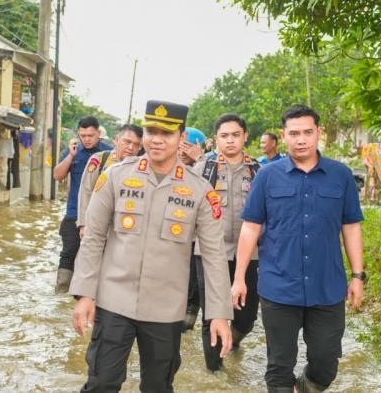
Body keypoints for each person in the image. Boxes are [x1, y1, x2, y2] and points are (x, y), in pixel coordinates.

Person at [70, 100, 233, 392]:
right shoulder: (116, 176)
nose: (157, 139)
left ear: (181, 137)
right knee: (102, 382)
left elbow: (214, 256)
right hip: (113, 300)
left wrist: (219, 313)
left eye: (166, 133)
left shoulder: (199, 190)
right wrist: (85, 294)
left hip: (165, 309)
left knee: (158, 386)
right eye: (151, 131)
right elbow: (93, 238)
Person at [232, 105, 365, 393]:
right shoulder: (267, 176)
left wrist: (357, 276)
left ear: (319, 133)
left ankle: (303, 388)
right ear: (284, 136)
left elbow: (351, 226)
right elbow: (251, 227)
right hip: (279, 285)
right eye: (294, 133)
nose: (301, 139)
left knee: (326, 364)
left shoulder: (340, 175)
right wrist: (239, 277)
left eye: (307, 132)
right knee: (279, 366)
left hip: (327, 286)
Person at [193, 113, 261, 371]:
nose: (230, 140)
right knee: (211, 314)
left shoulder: (259, 171)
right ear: (216, 139)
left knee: (247, 316)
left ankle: (234, 339)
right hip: (209, 252)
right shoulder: (202, 170)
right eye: (224, 136)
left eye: (235, 135)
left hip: (251, 253)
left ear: (245, 136)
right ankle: (215, 373)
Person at [53, 116, 113, 294]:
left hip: (101, 215)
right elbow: (57, 175)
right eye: (83, 135)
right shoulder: (73, 152)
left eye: (90, 135)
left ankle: (93, 294)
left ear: (98, 134)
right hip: (74, 213)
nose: (86, 139)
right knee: (69, 253)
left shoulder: (109, 154)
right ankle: (62, 293)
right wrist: (70, 157)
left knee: (99, 255)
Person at [76, 124, 143, 236]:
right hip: (98, 223)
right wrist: (83, 224)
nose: (131, 148)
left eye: (136, 145)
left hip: (124, 228)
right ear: (116, 140)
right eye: (127, 142)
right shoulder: (100, 159)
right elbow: (86, 191)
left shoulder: (141, 168)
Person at [178, 126, 206, 331]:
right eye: (181, 146)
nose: (183, 151)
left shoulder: (208, 166)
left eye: (188, 147)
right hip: (172, 235)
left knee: (193, 284)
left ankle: (187, 323)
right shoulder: (166, 165)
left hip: (195, 238)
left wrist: (200, 160)